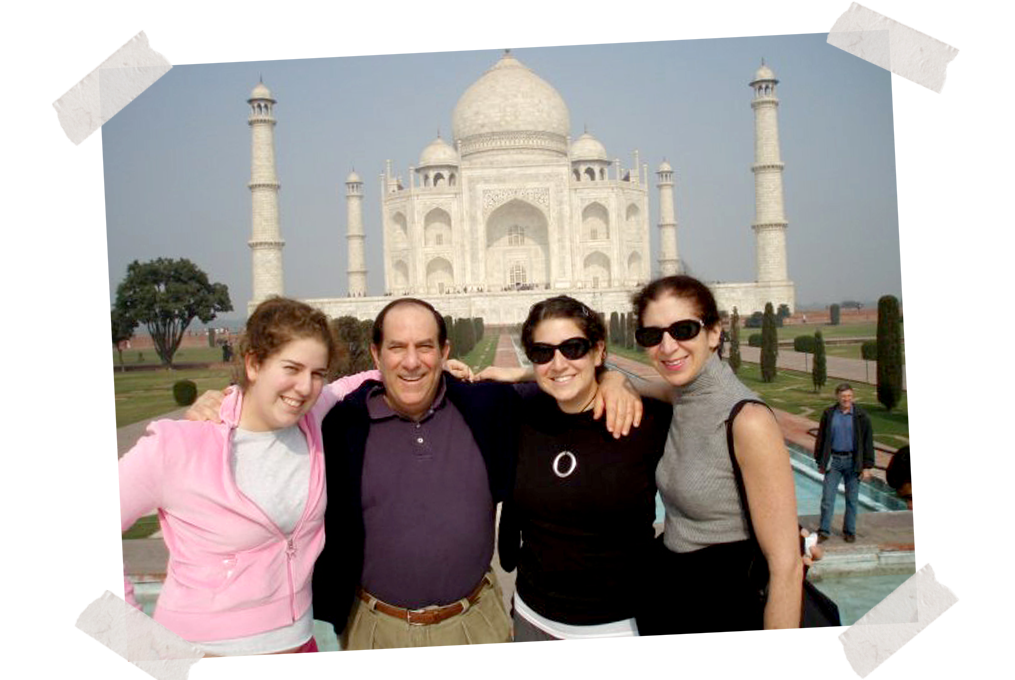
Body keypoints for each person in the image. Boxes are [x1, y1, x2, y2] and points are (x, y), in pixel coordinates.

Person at [307, 298, 642, 661]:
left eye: (424, 347)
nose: (411, 361)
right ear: (376, 355)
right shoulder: (343, 428)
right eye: (396, 348)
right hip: (376, 629)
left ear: (443, 351)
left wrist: (611, 376)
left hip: (476, 622)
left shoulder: (486, 407)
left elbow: (564, 384)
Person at [99, 297, 382, 661]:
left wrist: (435, 369)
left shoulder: (311, 421)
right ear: (253, 363)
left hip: (295, 648)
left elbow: (350, 385)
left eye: (316, 373)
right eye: (291, 368)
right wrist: (125, 640)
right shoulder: (182, 443)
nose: (304, 387)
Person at [631, 275, 803, 662]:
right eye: (652, 335)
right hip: (673, 605)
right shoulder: (683, 395)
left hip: (726, 617)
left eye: (683, 329)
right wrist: (523, 372)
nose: (668, 346)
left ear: (713, 332)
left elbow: (787, 568)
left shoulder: (747, 419)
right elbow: (611, 379)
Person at [492, 296, 672, 661]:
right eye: (542, 353)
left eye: (573, 348)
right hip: (534, 615)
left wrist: (777, 540)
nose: (558, 362)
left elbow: (712, 407)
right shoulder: (525, 413)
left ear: (598, 350)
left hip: (620, 624)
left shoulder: (643, 419)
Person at [814, 382, 875, 543]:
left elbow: (868, 442)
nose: (846, 399)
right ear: (837, 397)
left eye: (849, 396)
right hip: (833, 462)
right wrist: (820, 461)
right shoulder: (829, 414)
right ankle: (824, 531)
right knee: (827, 498)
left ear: (852, 396)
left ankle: (849, 531)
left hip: (853, 462)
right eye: (843, 396)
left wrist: (867, 466)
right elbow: (821, 438)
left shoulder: (862, 416)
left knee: (852, 500)